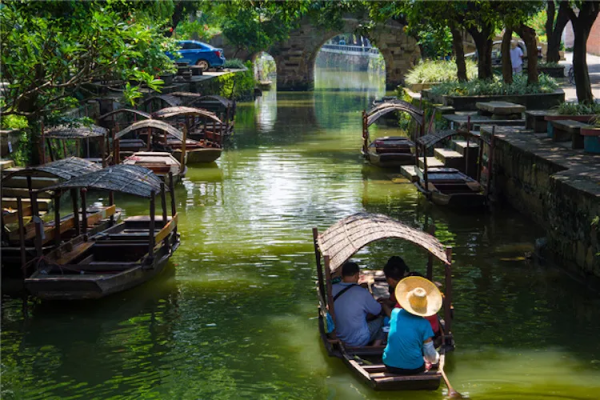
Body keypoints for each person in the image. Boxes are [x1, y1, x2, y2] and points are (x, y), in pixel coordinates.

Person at [383, 276, 442, 375]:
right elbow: (430, 354)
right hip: (414, 368)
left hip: (389, 365)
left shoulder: (395, 312)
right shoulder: (424, 323)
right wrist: (436, 358)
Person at [332, 261, 391, 347]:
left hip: (339, 337)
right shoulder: (362, 292)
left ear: (342, 274)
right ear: (356, 275)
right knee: (383, 320)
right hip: (358, 340)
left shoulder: (332, 289)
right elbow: (377, 311)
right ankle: (374, 348)